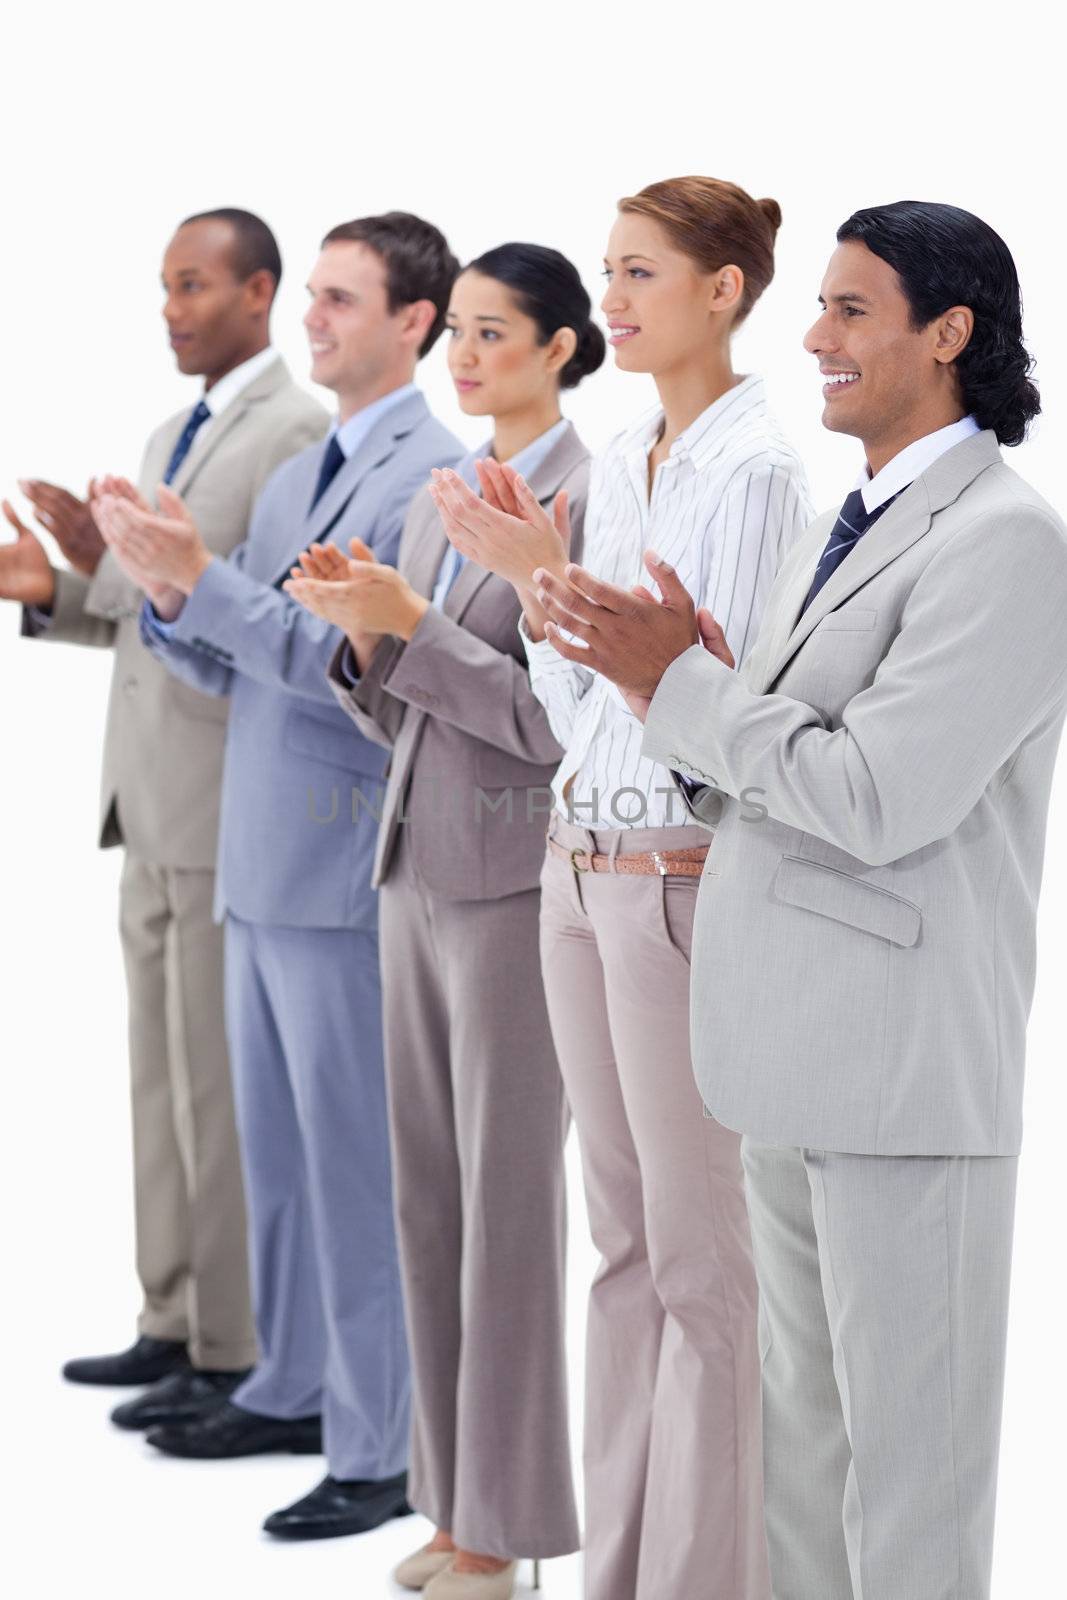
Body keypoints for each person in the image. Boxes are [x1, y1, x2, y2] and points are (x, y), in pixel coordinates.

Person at [530, 200, 1064, 1600]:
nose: (812, 338)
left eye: (846, 311)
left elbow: (879, 797)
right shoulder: (853, 518)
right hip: (783, 1063)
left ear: (944, 336)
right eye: (814, 306)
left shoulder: (1003, 542)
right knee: (801, 1469)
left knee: (907, 1487)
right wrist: (681, 690)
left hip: (897, 1082)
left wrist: (678, 686)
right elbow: (755, 772)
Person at [431, 178, 811, 1600]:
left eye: (641, 272)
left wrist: (548, 584)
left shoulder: (756, 471)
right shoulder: (634, 457)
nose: (616, 297)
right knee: (622, 1254)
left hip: (678, 882)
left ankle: (704, 1581)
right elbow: (574, 700)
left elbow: (704, 710)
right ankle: (618, 1571)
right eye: (607, 271)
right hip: (574, 875)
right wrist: (541, 591)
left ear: (722, 291)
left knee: (705, 1275)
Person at [94, 212, 464, 1542]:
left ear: (413, 324)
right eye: (310, 296)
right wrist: (168, 588)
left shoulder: (432, 478)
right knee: (282, 1166)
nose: (314, 321)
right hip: (258, 859)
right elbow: (239, 648)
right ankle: (293, 1385)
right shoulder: (307, 465)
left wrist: (216, 593)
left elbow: (346, 672)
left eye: (342, 301)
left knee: (358, 1171)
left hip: (337, 860)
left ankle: (381, 1446)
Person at [287, 242, 601, 1600]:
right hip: (412, 875)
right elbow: (401, 703)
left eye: (492, 333)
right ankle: (449, 1505)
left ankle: (509, 1526)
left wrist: (414, 624)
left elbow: (551, 724)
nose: (463, 357)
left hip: (519, 890)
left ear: (561, 349)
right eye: (456, 332)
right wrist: (366, 634)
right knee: (426, 1197)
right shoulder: (439, 493)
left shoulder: (588, 495)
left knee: (507, 1206)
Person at [0, 209, 327, 1421]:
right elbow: (162, 606)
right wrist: (68, 580)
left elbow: (236, 614)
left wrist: (132, 578)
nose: (171, 308)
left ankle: (234, 1346)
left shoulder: (293, 431)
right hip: (142, 798)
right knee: (158, 1081)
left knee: (216, 1089)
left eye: (193, 285)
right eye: (163, 286)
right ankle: (172, 1315)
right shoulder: (171, 429)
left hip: (223, 801)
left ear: (258, 292)